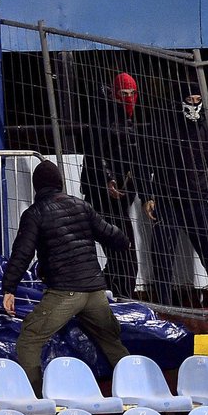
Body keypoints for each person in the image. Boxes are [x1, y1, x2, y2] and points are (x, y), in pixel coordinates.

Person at [2, 160, 130, 394]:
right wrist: (125, 241)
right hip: (95, 291)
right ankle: (137, 390)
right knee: (111, 341)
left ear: (37, 187)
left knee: (29, 339)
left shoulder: (35, 213)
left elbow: (22, 253)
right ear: (60, 183)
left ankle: (37, 400)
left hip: (65, 292)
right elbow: (109, 233)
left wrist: (9, 288)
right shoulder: (82, 206)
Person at [143, 78, 208, 307]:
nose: (194, 104)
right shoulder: (163, 126)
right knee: (163, 261)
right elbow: (146, 162)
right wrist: (148, 195)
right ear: (180, 100)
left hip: (197, 200)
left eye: (198, 99)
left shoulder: (207, 127)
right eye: (190, 99)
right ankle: (163, 308)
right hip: (168, 201)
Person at [80, 71, 142, 298]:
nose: (128, 98)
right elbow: (96, 153)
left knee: (123, 258)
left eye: (132, 93)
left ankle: (109, 297)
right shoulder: (104, 118)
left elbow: (134, 159)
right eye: (123, 93)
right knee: (123, 256)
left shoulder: (129, 120)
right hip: (103, 198)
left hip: (119, 199)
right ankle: (118, 301)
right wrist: (108, 180)